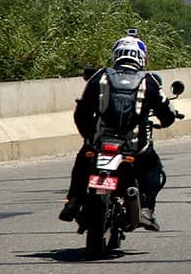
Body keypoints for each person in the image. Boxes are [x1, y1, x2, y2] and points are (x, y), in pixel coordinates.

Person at [58, 33, 178, 231]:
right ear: (141, 57)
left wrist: (89, 137)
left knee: (82, 159)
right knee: (152, 165)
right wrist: (166, 120)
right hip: (133, 145)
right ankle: (146, 209)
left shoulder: (100, 76)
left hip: (100, 141)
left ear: (117, 55)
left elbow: (82, 111)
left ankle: (74, 201)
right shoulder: (149, 81)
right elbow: (167, 114)